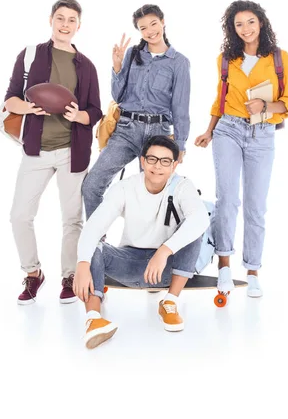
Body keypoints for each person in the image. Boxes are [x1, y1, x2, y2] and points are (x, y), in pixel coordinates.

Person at [195, 0, 288, 297]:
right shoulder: (226, 59)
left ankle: (253, 270)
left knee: (256, 205)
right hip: (228, 129)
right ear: (232, 28)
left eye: (250, 22)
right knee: (227, 199)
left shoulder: (280, 59)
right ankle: (224, 266)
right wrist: (209, 131)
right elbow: (220, 97)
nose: (246, 29)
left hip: (262, 134)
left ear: (261, 23)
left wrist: (266, 106)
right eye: (239, 24)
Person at [4, 0, 102, 305]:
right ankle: (33, 274)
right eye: (60, 18)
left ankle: (69, 276)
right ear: (51, 20)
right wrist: (29, 108)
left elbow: (95, 111)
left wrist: (78, 116)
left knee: (72, 219)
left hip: (72, 152)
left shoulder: (86, 66)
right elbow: (10, 99)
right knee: (19, 215)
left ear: (79, 26)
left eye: (71, 20)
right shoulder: (31, 55)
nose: (65, 24)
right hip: (36, 150)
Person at [73, 135, 209, 349]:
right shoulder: (125, 188)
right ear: (143, 161)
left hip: (167, 268)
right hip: (129, 264)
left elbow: (201, 219)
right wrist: (82, 263)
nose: (158, 166)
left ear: (174, 165)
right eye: (152, 159)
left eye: (165, 161)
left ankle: (170, 302)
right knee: (94, 245)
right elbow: (94, 226)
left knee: (193, 227)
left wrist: (164, 251)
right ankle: (94, 319)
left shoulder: (183, 186)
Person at [82, 4, 191, 219]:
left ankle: (148, 248)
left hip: (158, 134)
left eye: (153, 24)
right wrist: (116, 66)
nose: (150, 31)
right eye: (143, 28)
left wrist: (179, 145)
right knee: (91, 184)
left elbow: (181, 107)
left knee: (152, 196)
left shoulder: (179, 63)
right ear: (139, 31)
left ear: (163, 22)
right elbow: (119, 96)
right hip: (126, 129)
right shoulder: (132, 54)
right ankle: (97, 241)